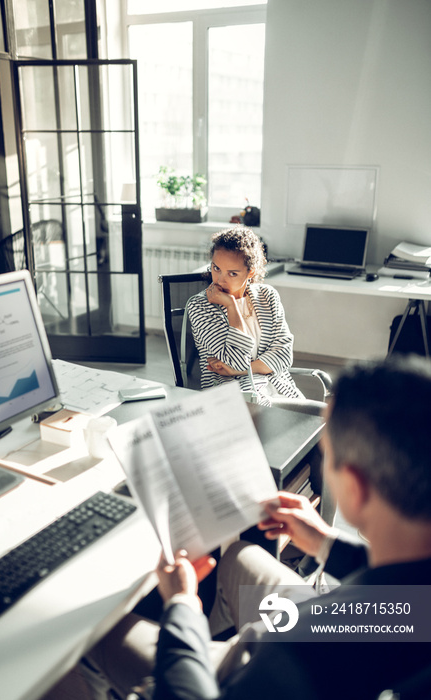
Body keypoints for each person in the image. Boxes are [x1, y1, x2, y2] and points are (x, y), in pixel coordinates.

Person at [84, 355, 431, 699]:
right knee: (239, 555)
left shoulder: (300, 653)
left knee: (96, 633)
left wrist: (182, 605)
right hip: (350, 624)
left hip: (244, 674)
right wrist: (326, 543)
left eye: (328, 455)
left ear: (355, 489)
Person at [187, 226, 303, 406]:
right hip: (234, 398)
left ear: (251, 272)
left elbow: (284, 355)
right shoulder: (200, 306)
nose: (219, 280)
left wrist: (237, 370)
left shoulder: (267, 296)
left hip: (281, 390)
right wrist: (232, 307)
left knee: (322, 420)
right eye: (216, 268)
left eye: (232, 273)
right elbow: (236, 360)